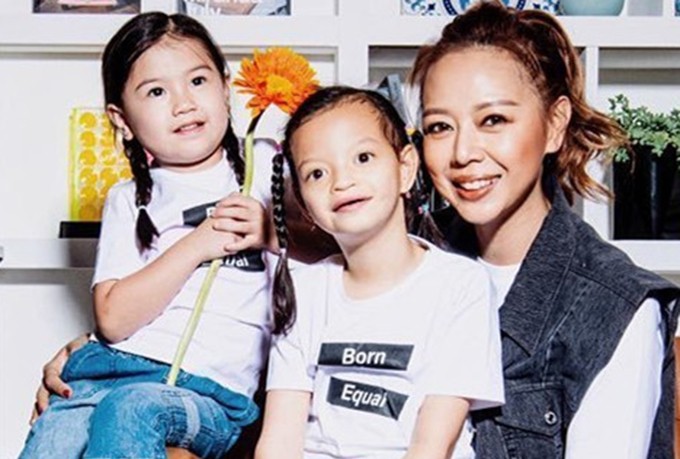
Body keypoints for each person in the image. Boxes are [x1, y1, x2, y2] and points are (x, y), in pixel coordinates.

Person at [410, 1, 680, 458]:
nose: (462, 152)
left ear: (554, 125)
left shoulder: (613, 305)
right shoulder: (411, 263)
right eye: (439, 126)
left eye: (493, 120)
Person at [20, 11, 279, 458]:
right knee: (53, 440)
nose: (183, 103)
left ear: (225, 86)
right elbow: (114, 320)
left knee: (132, 407)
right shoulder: (128, 200)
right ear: (121, 119)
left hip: (209, 395)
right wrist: (196, 244)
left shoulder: (266, 167)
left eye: (197, 81)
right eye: (157, 91)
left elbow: (332, 257)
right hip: (105, 371)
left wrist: (270, 233)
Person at [254, 86, 504, 459]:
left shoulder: (460, 285)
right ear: (304, 205)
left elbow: (432, 445)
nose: (342, 181)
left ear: (405, 169)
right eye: (317, 173)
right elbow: (279, 440)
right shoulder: (304, 290)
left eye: (363, 157)